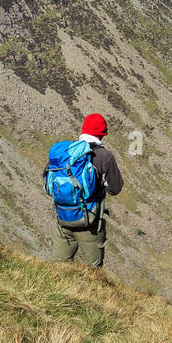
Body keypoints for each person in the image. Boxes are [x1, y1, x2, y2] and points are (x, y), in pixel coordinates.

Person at [50, 113, 123, 267]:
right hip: (88, 222)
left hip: (63, 218)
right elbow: (115, 188)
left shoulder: (66, 152)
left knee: (57, 266)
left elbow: (49, 183)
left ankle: (52, 291)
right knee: (92, 271)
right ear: (102, 134)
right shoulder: (104, 156)